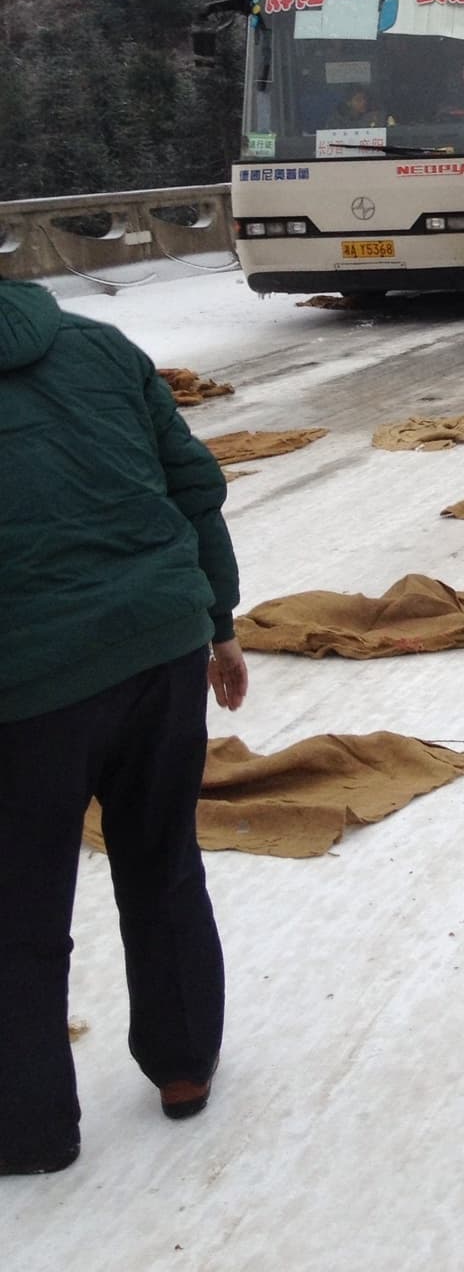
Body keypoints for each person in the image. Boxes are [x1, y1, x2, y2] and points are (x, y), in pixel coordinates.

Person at [0, 277, 247, 1176]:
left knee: (18, 906)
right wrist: (219, 624)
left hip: (26, 686)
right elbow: (194, 486)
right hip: (159, 647)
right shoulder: (99, 345)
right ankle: (183, 1067)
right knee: (160, 858)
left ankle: (27, 1129)